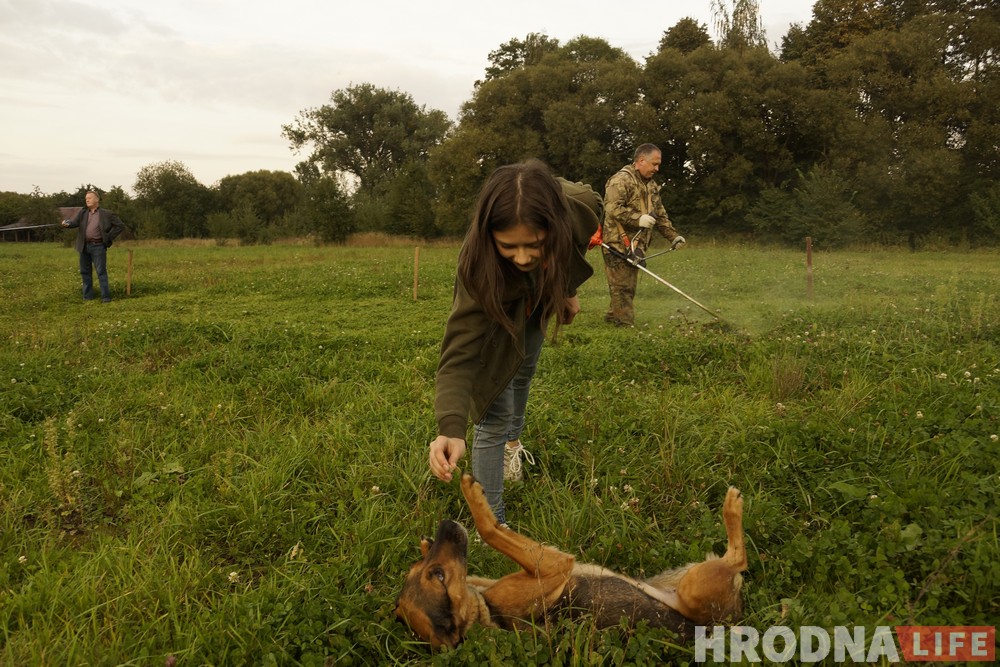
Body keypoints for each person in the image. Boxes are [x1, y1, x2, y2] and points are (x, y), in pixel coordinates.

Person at [428, 159, 602, 526]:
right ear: (490, 235)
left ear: (554, 227)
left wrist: (567, 290)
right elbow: (459, 352)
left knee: (524, 370)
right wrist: (451, 427)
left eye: (534, 244)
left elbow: (575, 248)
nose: (522, 258)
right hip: (498, 301)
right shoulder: (477, 267)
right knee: (495, 411)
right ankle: (493, 525)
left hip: (540, 297)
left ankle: (512, 446)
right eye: (509, 246)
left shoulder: (582, 208)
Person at [601, 144, 685, 327]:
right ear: (641, 161)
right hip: (616, 242)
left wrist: (673, 236)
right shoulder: (620, 180)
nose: (657, 169)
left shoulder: (651, 185)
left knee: (627, 285)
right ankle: (624, 325)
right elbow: (612, 208)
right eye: (654, 164)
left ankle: (612, 316)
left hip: (636, 245)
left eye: (658, 164)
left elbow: (660, 214)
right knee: (623, 287)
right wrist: (638, 219)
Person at [61, 190, 126, 302]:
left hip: (98, 246)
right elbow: (74, 223)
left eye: (89, 198)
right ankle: (87, 297)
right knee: (85, 272)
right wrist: (67, 223)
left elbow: (120, 226)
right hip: (84, 246)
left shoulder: (107, 214)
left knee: (101, 272)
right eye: (86, 198)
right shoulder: (83, 213)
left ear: (97, 199)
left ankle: (105, 297)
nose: (87, 200)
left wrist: (108, 237)